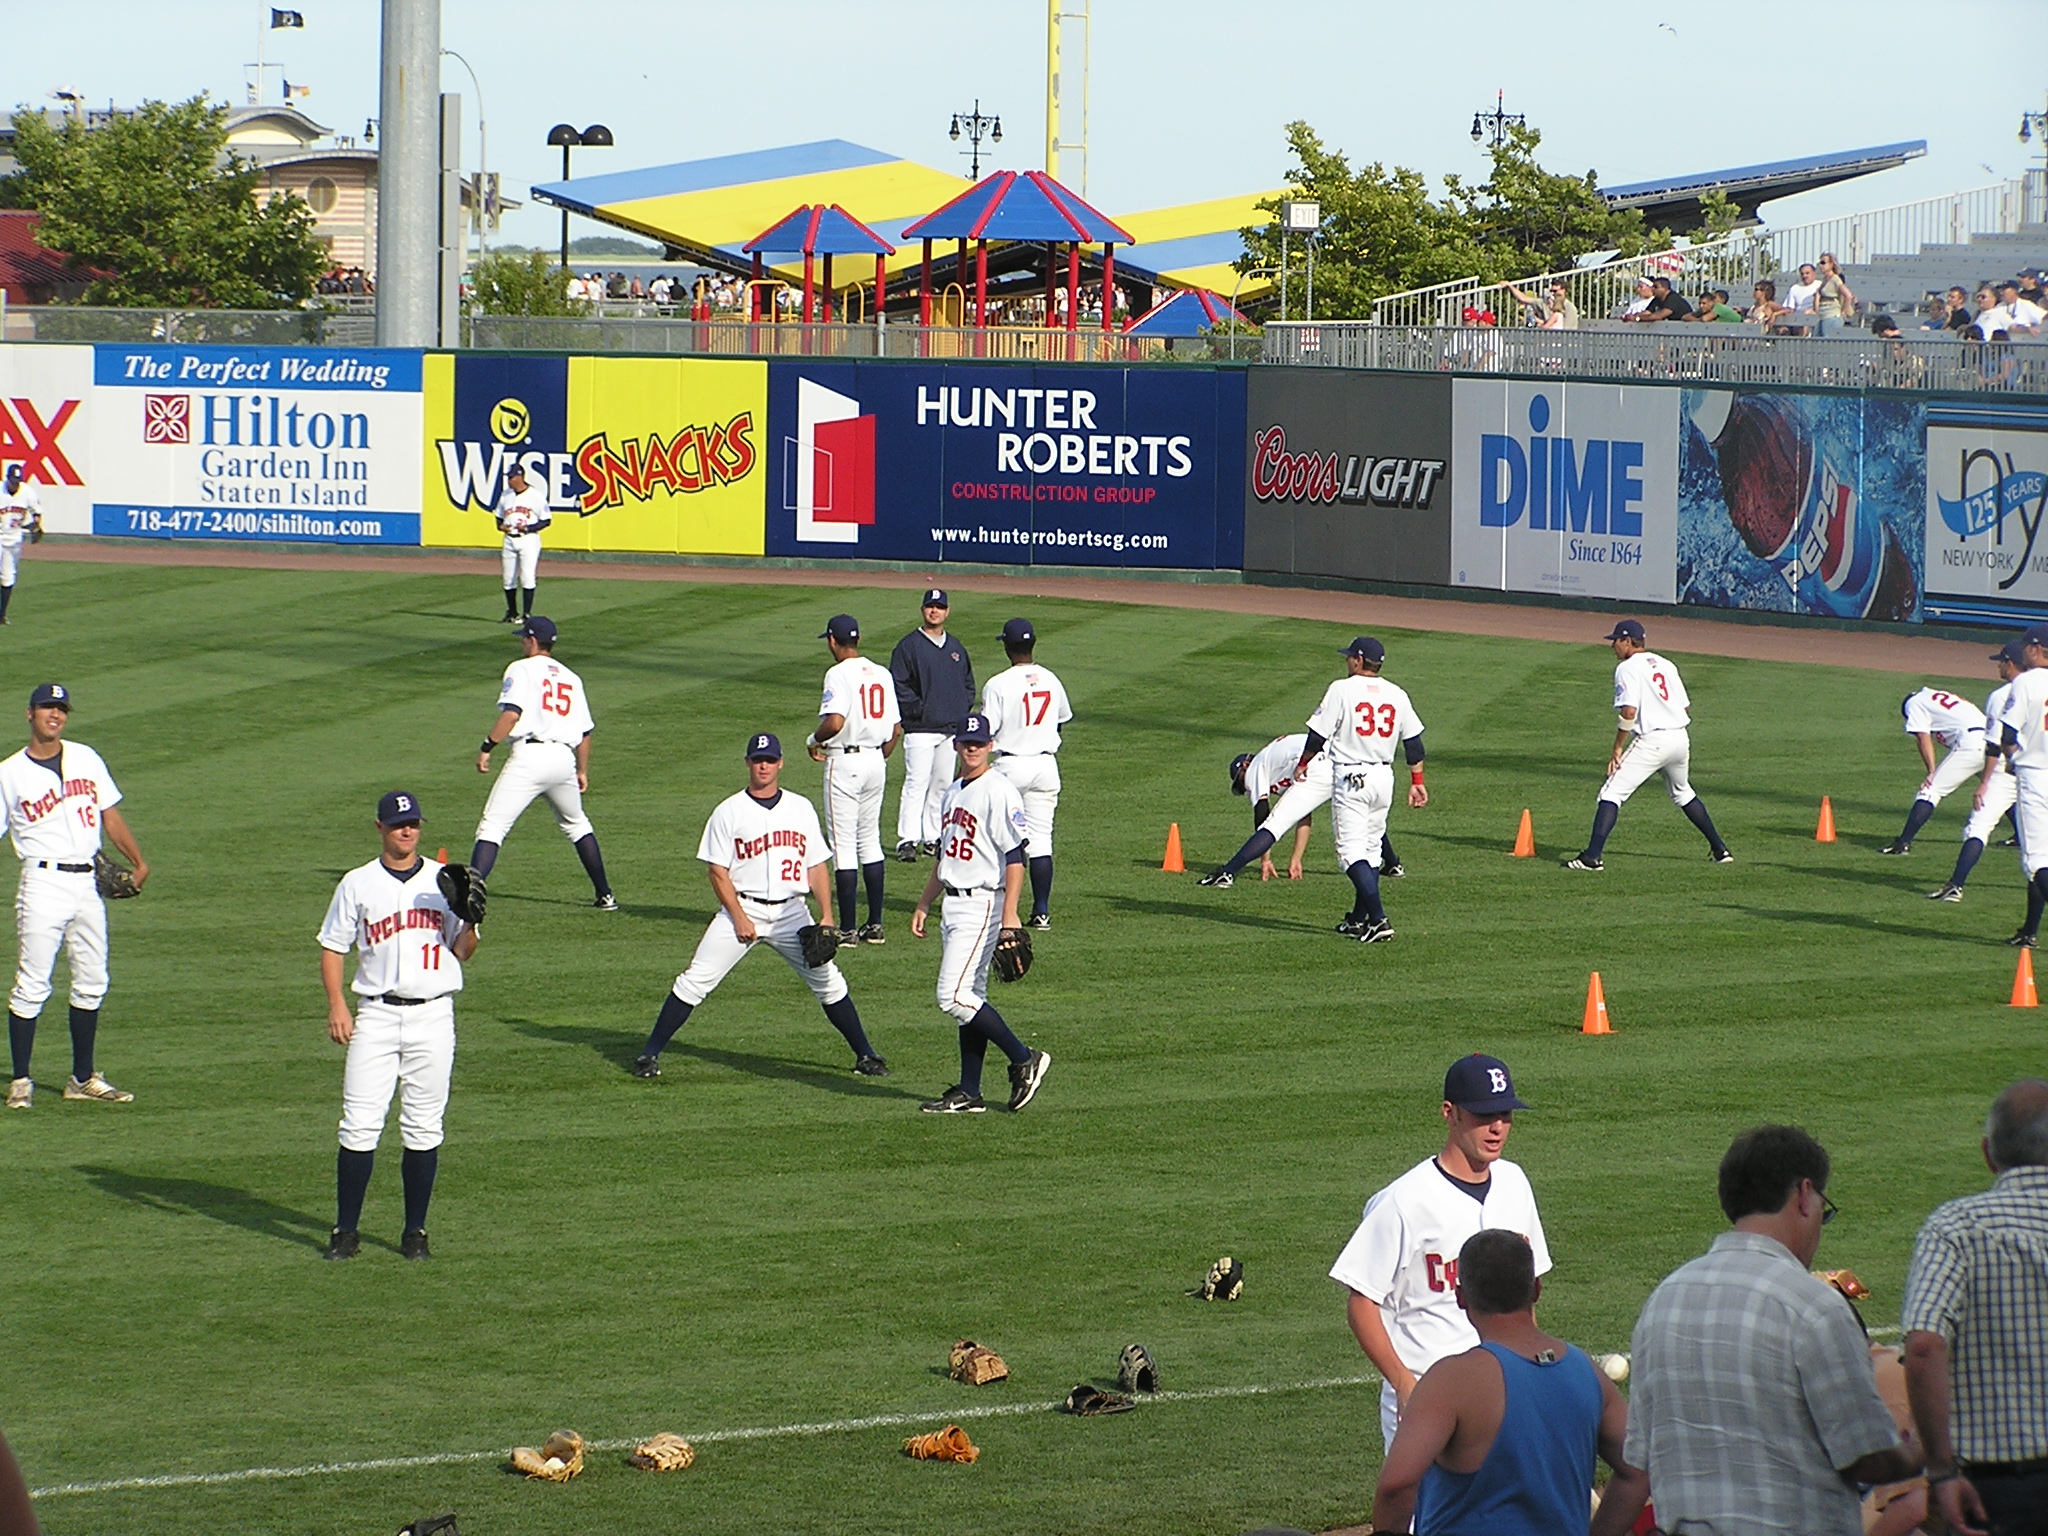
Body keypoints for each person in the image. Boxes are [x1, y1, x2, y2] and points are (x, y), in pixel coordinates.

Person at [1627, 1125, 1922, 1536]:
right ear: (1804, 1194)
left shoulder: (1662, 1301)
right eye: (1824, 1205)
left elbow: (1641, 1453)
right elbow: (1867, 1457)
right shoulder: (1813, 1306)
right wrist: (1919, 1450)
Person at [631, 733, 888, 1082]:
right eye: (757, 760)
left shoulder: (800, 808)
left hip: (792, 914)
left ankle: (866, 1055)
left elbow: (816, 866)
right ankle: (650, 1053)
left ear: (781, 763)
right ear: (748, 763)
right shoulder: (728, 811)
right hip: (744, 909)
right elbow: (717, 871)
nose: (763, 766)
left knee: (830, 983)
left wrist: (827, 916)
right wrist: (738, 917)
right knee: (695, 981)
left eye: (769, 760)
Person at [1330, 1053, 1550, 1451]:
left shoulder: (1515, 1183)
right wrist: (1403, 1382)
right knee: (1424, 1514)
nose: (1497, 1127)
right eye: (1484, 1115)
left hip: (1504, 1389)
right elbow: (1362, 1300)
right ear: (1450, 1113)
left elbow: (1526, 1290)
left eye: (1505, 1114)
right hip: (1429, 1395)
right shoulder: (1403, 1201)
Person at [1370, 1230, 1648, 1536]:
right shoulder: (1586, 1371)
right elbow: (1636, 1470)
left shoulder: (1452, 1381)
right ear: (1536, 1290)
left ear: (1460, 1297)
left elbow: (1396, 1485)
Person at [317, 792, 480, 1261]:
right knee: (359, 1125)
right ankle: (345, 1231)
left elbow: (463, 952)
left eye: (413, 824)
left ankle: (415, 1233)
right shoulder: (357, 883)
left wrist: (469, 920)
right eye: (398, 824)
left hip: (434, 1014)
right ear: (380, 828)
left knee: (424, 1128)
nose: (407, 831)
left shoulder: (443, 880)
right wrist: (336, 1005)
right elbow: (333, 947)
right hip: (376, 1014)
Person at [1902, 1078, 2048, 1536]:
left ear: (1988, 1154)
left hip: (1995, 1491)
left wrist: (1941, 1471)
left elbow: (1924, 1346)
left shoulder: (1956, 1228)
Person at [2, 683, 148, 1110]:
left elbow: (110, 814)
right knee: (31, 984)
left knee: (92, 980)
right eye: (48, 707)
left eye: (61, 709)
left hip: (88, 883)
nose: (55, 715)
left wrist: (138, 861)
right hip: (41, 883)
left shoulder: (86, 757)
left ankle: (82, 1078)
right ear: (30, 713)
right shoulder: (8, 773)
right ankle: (21, 1081)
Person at [909, 713, 1051, 1114]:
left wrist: (1011, 916)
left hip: (983, 902)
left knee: (951, 996)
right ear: (956, 745)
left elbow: (1015, 856)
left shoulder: (999, 790)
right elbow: (945, 855)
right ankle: (970, 1091)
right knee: (971, 997)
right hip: (953, 902)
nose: (971, 748)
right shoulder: (953, 791)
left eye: (978, 742)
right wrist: (924, 902)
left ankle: (1024, 1057)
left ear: (990, 746)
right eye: (965, 742)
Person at [470, 616, 615, 910]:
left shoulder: (520, 669)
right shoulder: (572, 678)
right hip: (564, 759)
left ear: (533, 641)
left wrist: (487, 747)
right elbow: (585, 732)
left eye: (524, 637)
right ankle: (606, 894)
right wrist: (582, 771)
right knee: (577, 825)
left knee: (493, 827)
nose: (522, 641)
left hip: (530, 757)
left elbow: (511, 714)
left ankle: (471, 894)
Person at [1565, 620, 1732, 871]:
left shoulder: (1627, 668)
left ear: (1628, 641)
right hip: (1680, 738)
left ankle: (1592, 857)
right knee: (1683, 792)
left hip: (1653, 741)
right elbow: (1684, 706)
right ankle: (1720, 849)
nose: (1613, 646)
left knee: (1611, 794)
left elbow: (1629, 711)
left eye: (1616, 641)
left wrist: (1617, 749)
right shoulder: (1665, 663)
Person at [1294, 636, 1427, 940]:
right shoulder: (1397, 693)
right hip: (1384, 779)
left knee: (1349, 853)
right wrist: (1417, 782)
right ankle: (1358, 919)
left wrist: (1303, 764)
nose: (1346, 662)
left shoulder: (1341, 689)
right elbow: (1414, 744)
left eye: (1349, 657)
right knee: (1371, 850)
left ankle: (1379, 920)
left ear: (1358, 660)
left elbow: (1317, 735)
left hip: (1352, 778)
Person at [809, 614, 900, 943]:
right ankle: (874, 925)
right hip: (876, 759)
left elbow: (834, 722)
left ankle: (847, 928)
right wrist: (877, 756)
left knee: (844, 846)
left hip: (845, 762)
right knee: (870, 842)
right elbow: (895, 729)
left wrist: (812, 740)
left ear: (833, 641)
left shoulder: (837, 673)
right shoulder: (882, 673)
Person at [980, 618, 1071, 930]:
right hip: (1045, 765)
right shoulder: (1050, 678)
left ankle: (1003, 909)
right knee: (1041, 841)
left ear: (1007, 646)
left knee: (1002, 838)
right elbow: (1061, 720)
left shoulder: (998, 683)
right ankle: (1042, 911)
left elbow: (985, 730)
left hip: (1010, 766)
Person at [1931, 643, 2024, 904]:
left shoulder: (2001, 696)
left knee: (1978, 827)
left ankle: (1955, 886)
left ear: (2011, 663)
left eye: (2001, 661)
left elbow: (1995, 745)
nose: (1998, 665)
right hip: (2041, 773)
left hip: (2010, 772)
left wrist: (1984, 782)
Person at [890, 589, 976, 862]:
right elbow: (899, 685)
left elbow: (968, 684)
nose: (934, 611)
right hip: (920, 729)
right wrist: (918, 710)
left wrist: (960, 710)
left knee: (941, 783)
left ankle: (932, 837)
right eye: (930, 606)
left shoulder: (955, 648)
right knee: (916, 782)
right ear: (923, 610)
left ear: (947, 612)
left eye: (939, 607)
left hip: (949, 729)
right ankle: (907, 839)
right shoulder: (908, 646)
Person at [1980, 625, 2048, 948]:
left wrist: (2014, 758)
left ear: (2036, 649)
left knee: (2036, 862)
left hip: (2036, 776)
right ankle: (2029, 931)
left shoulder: (2025, 683)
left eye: (2025, 646)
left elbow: (2007, 737)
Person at [1880, 685, 1987, 856]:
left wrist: (1932, 771)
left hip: (1971, 743)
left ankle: (1903, 843)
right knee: (2000, 789)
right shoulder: (1937, 696)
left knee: (1930, 790)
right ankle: (2019, 837)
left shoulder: (1913, 704)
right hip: (1993, 740)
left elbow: (1922, 736)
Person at [494, 462, 549, 624]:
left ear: (520, 477)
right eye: (509, 477)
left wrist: (528, 528)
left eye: (512, 477)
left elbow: (546, 520)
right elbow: (498, 516)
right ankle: (511, 612)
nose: (509, 480)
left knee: (527, 576)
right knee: (508, 577)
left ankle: (526, 614)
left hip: (528, 540)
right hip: (510, 539)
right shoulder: (506, 495)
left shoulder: (535, 496)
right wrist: (501, 526)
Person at [0, 463, 43, 626]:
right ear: (7, 478)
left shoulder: (27, 492)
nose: (15, 484)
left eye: (18, 481)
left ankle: (1, 615)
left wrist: (37, 525)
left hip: (14, 538)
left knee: (8, 576)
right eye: (13, 480)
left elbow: (36, 511)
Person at [1814, 252, 1857, 336]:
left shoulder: (1835, 279)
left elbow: (1848, 295)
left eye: (1823, 262)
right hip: (1823, 315)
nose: (1820, 265)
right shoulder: (1825, 279)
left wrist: (1843, 312)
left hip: (1832, 316)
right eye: (1820, 262)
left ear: (1831, 264)